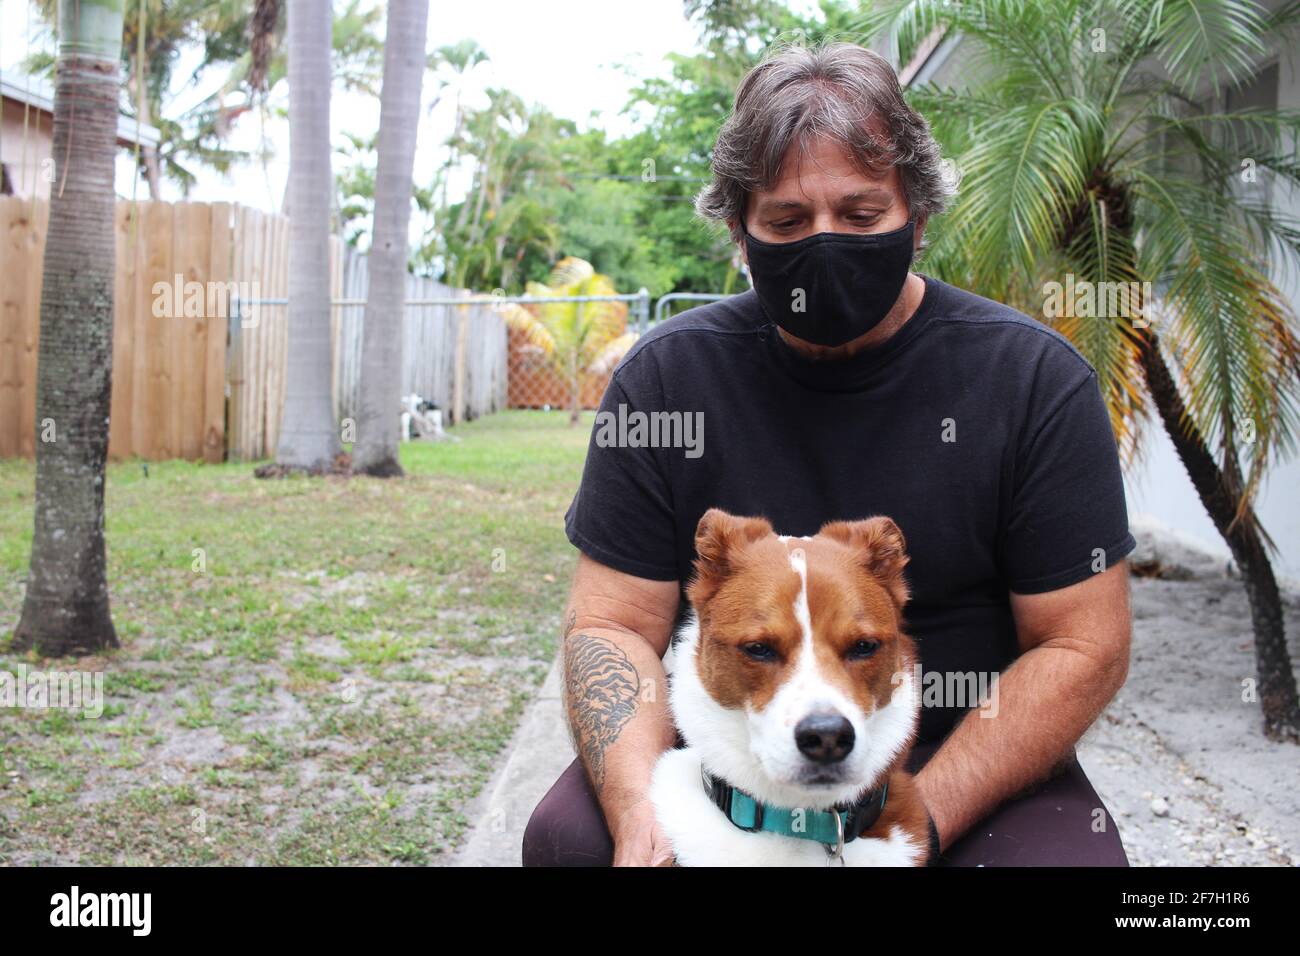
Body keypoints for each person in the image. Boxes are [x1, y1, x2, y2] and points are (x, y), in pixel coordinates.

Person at [524, 41, 1134, 867]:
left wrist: (914, 822)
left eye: (859, 216)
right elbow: (610, 624)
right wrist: (641, 813)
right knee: (567, 842)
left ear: (917, 219)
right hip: (736, 755)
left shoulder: (1032, 381)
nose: (823, 243)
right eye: (785, 221)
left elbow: (1081, 644)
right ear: (741, 233)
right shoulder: (666, 380)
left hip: (963, 752)